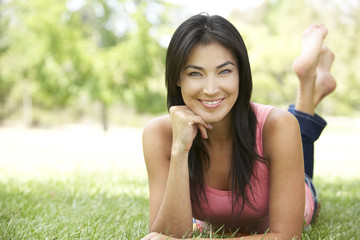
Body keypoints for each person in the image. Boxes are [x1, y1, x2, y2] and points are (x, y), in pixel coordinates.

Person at [141, 13, 336, 240]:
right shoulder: (159, 134)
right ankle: (316, 82)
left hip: (299, 188)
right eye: (195, 73)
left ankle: (308, 83)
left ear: (241, 74)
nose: (211, 89)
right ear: (177, 78)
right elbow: (165, 235)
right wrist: (179, 149)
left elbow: (286, 236)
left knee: (293, 134)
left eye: (224, 71)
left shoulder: (278, 126)